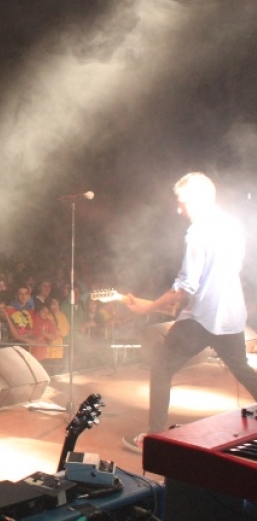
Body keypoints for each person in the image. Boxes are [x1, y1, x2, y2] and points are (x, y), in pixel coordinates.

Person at [122, 172, 257, 453]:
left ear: (195, 200)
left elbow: (187, 285)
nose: (178, 208)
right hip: (231, 315)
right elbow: (228, 271)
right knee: (242, 369)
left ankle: (154, 438)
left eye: (181, 202)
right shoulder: (232, 225)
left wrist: (147, 306)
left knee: (161, 367)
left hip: (202, 318)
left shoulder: (198, 232)